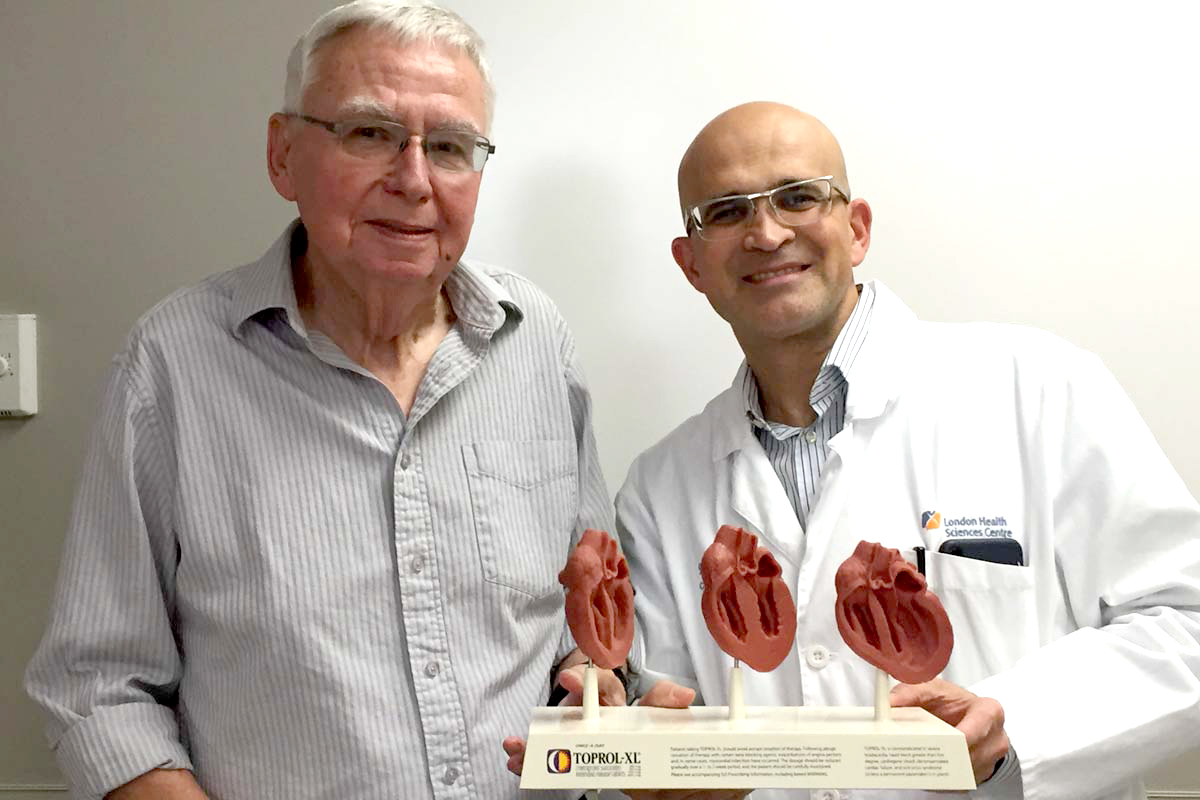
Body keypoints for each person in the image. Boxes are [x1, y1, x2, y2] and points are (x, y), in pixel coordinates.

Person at [24, 2, 612, 798]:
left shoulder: (535, 342)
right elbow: (98, 689)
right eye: (369, 133)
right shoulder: (173, 363)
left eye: (449, 147)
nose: (412, 180)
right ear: (282, 154)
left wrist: (596, 682)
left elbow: (584, 625)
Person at [615, 102, 1200, 800]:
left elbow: (1185, 622)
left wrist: (1015, 731)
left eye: (798, 197)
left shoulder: (1040, 388)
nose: (767, 233)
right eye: (729, 212)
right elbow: (675, 720)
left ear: (856, 229)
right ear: (691, 265)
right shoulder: (659, 491)